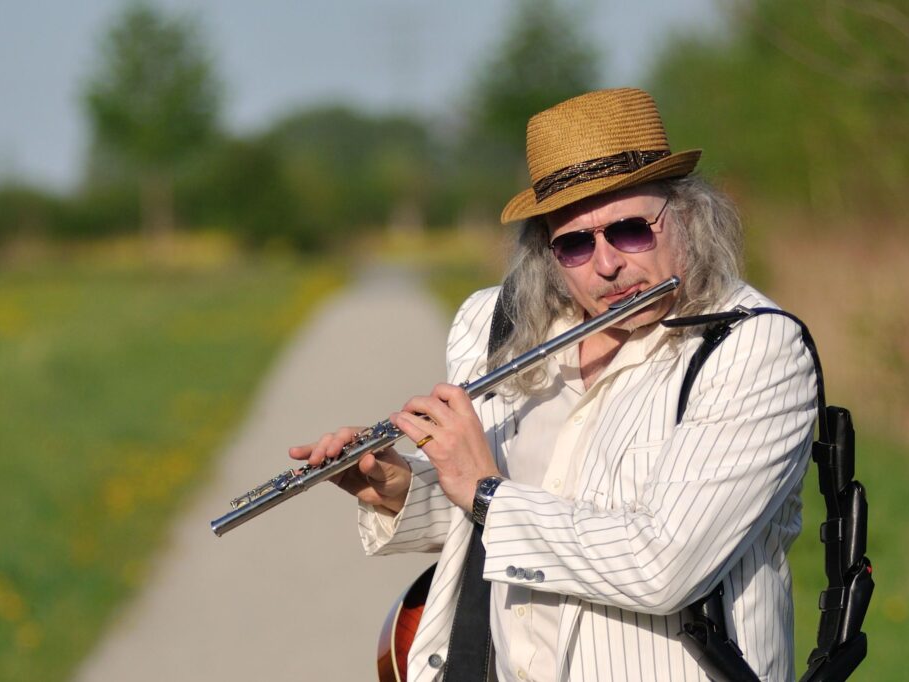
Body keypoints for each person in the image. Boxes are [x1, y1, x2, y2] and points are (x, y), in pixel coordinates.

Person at [290, 88, 816, 681]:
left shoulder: (753, 350)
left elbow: (664, 565)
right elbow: (505, 517)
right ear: (545, 250)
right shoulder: (495, 326)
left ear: (689, 218)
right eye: (574, 243)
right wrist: (402, 488)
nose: (608, 263)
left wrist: (483, 488)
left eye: (631, 231)